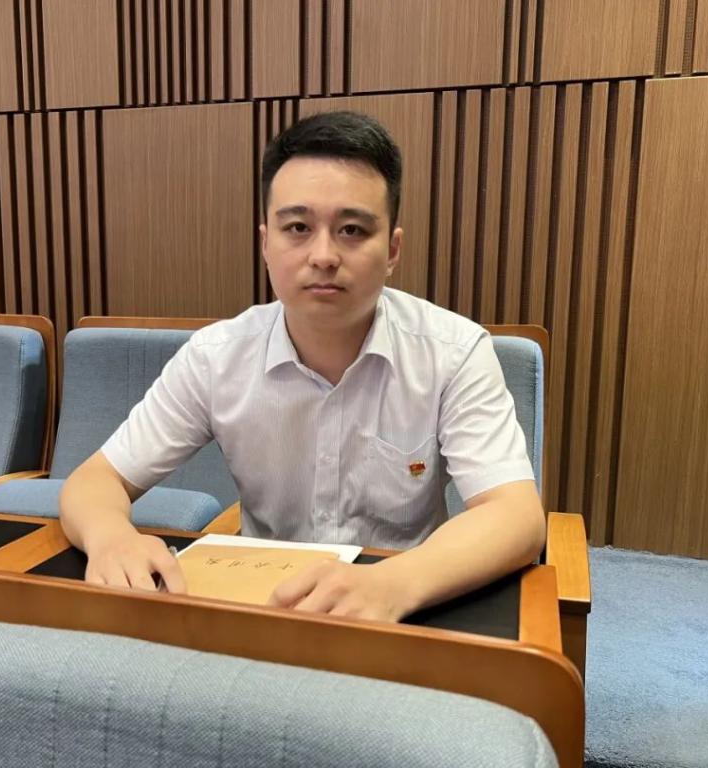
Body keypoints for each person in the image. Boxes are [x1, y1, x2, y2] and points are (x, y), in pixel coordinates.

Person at [59, 110, 545, 622]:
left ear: (392, 249)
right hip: (264, 612)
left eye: (352, 230)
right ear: (266, 243)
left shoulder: (454, 352)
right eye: (298, 228)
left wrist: (393, 584)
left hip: (401, 611)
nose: (324, 255)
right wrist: (111, 538)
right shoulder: (215, 357)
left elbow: (514, 515)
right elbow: (95, 482)